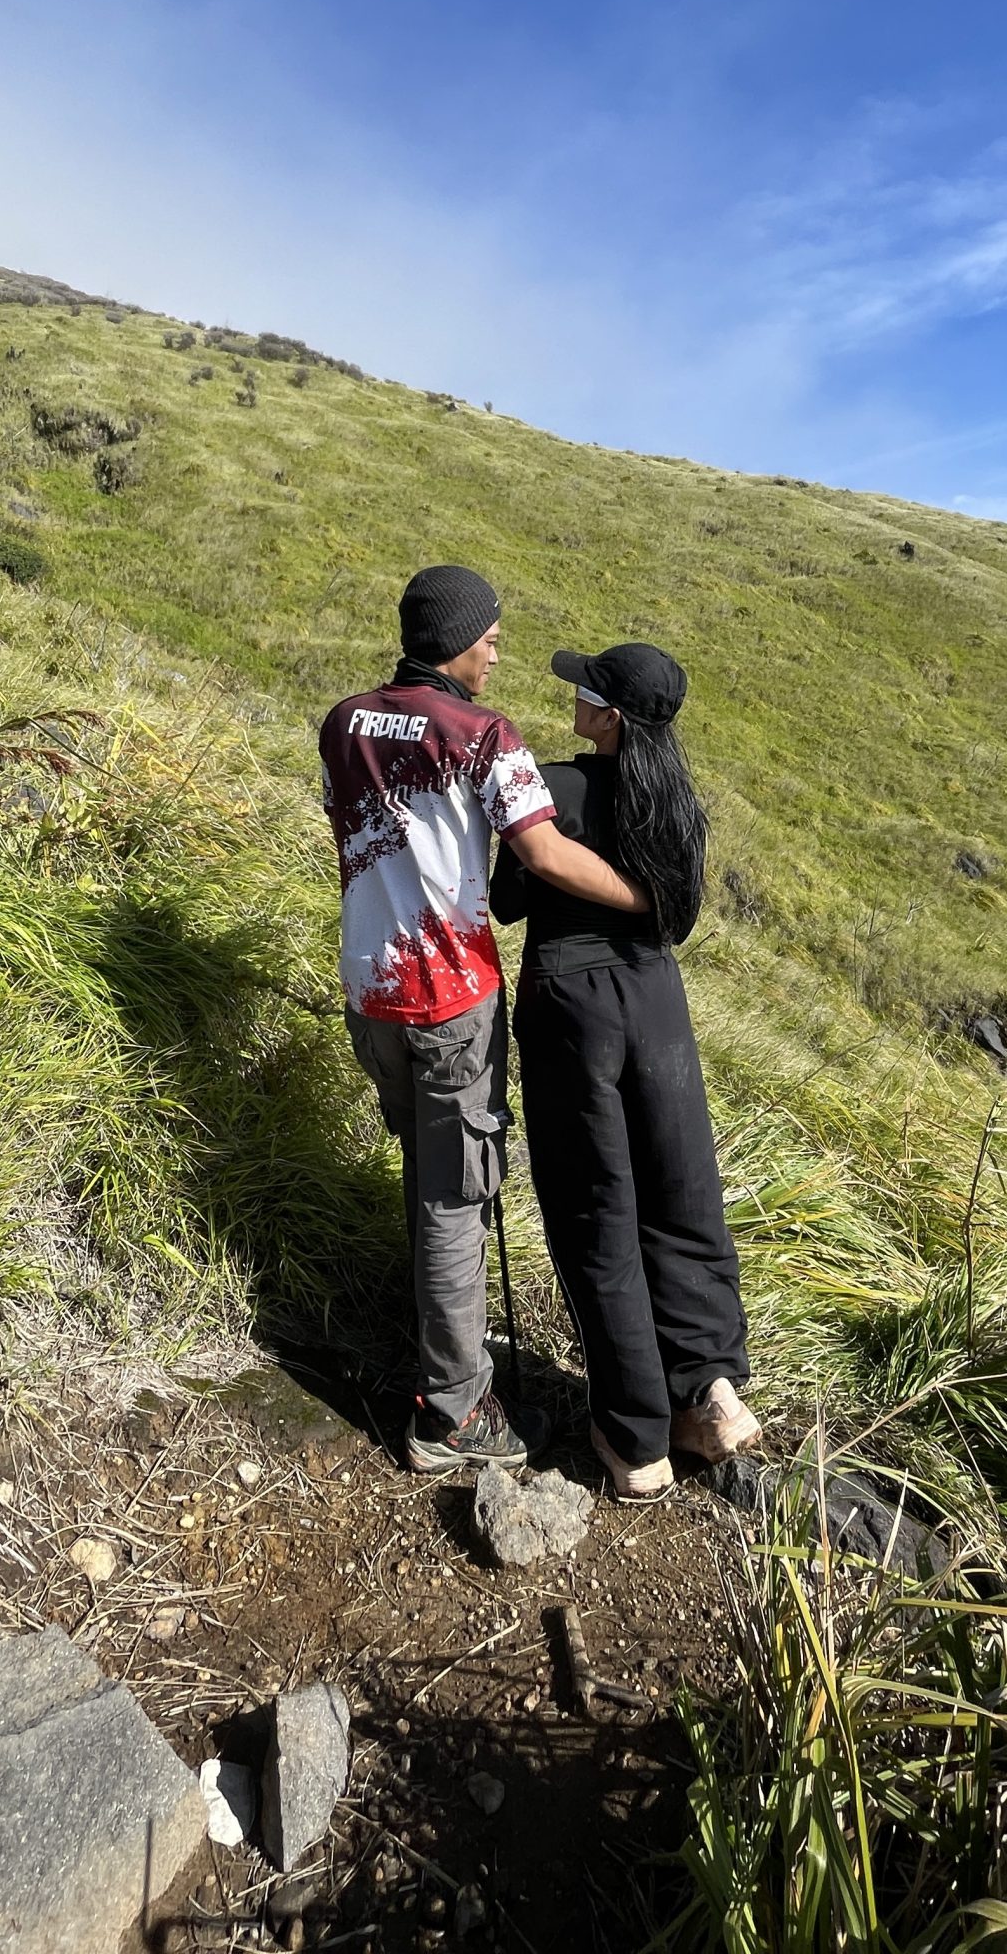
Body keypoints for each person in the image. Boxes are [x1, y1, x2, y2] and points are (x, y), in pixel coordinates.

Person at [320, 566, 648, 1477]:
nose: (498, 650)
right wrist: (641, 898)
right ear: (456, 637)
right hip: (449, 995)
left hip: (368, 984)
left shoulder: (344, 721)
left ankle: (445, 1347)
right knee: (454, 1199)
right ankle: (455, 1414)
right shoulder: (482, 735)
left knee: (426, 1173)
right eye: (492, 636)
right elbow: (541, 853)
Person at [490, 641, 759, 1501]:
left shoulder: (558, 788)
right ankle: (710, 1392)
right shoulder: (678, 804)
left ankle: (636, 1438)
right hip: (657, 999)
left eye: (585, 689)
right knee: (682, 1194)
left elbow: (506, 899)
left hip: (571, 999)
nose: (572, 693)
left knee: (595, 1207)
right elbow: (675, 918)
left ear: (605, 716)